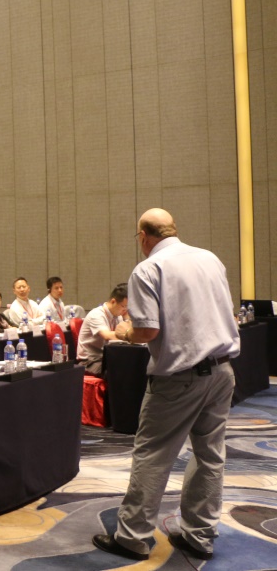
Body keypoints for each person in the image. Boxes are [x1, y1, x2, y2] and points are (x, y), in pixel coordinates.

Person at [92, 209, 240, 563]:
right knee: (210, 456)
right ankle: (199, 536)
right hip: (222, 372)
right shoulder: (210, 258)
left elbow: (147, 331)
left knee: (154, 455)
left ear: (143, 237)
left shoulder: (148, 269)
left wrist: (125, 331)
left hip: (179, 378)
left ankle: (132, 538)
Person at [76, 283, 131, 376]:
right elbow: (107, 335)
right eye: (123, 306)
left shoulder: (118, 315)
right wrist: (130, 335)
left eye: (127, 307)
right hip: (90, 362)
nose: (125, 310)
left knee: (132, 365)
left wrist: (127, 319)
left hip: (105, 358)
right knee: (121, 371)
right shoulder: (96, 314)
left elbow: (126, 331)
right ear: (113, 301)